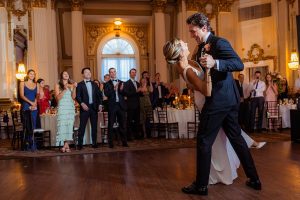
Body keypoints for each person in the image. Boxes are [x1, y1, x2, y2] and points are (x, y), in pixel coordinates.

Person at [163, 37, 265, 193]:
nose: (185, 41)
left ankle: (202, 184)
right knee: (228, 139)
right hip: (210, 102)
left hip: (217, 104)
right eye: (181, 42)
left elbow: (196, 81)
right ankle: (253, 179)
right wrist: (210, 68)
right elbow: (206, 90)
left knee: (211, 141)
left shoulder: (187, 62)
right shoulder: (186, 68)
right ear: (179, 50)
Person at [76, 67, 103, 149]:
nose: (88, 73)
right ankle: (80, 144)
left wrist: (100, 104)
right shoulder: (79, 84)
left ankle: (94, 143)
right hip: (84, 108)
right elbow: (78, 96)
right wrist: (82, 103)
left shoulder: (94, 84)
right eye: (86, 72)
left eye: (89, 72)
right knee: (82, 126)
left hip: (94, 108)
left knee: (94, 127)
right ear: (83, 74)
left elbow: (99, 95)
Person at [104, 67, 129, 148]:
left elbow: (125, 93)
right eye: (111, 72)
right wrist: (113, 89)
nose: (113, 73)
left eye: (114, 72)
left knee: (123, 125)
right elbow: (107, 94)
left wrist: (121, 90)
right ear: (110, 74)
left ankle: (124, 142)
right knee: (110, 124)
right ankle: (111, 143)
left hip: (121, 106)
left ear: (116, 73)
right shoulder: (107, 84)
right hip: (112, 106)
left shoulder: (122, 82)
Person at [55, 71, 76, 152]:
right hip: (62, 107)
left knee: (69, 125)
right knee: (62, 125)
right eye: (64, 74)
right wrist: (64, 89)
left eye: (67, 73)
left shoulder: (71, 84)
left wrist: (74, 87)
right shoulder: (57, 85)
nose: (66, 74)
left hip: (70, 107)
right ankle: (66, 145)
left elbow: (73, 97)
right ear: (61, 76)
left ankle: (65, 145)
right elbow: (58, 98)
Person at [124, 68, 142, 140]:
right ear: (130, 74)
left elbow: (139, 94)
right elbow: (127, 93)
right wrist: (136, 91)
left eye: (135, 72)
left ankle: (137, 135)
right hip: (130, 105)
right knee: (129, 121)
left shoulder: (138, 83)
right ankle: (129, 136)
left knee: (137, 121)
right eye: (132, 72)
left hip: (137, 105)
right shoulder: (127, 83)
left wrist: (142, 92)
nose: (134, 74)